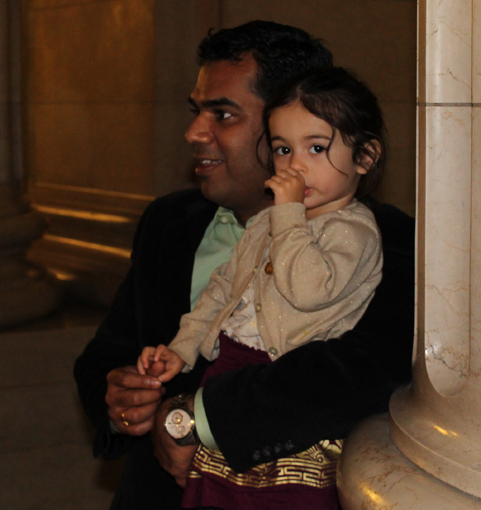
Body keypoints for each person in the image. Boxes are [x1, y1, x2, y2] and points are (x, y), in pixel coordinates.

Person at [74, 20, 415, 510]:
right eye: (197, 112)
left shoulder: (389, 238)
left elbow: (361, 374)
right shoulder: (171, 221)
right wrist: (121, 397)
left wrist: (191, 418)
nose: (194, 132)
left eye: (224, 115)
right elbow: (108, 348)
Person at [137, 66, 386, 509]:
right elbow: (222, 291)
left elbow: (307, 290)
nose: (295, 166)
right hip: (229, 372)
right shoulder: (268, 222)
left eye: (316, 148)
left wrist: (287, 214)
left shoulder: (355, 232)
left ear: (364, 158)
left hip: (282, 394)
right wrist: (182, 348)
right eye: (283, 149)